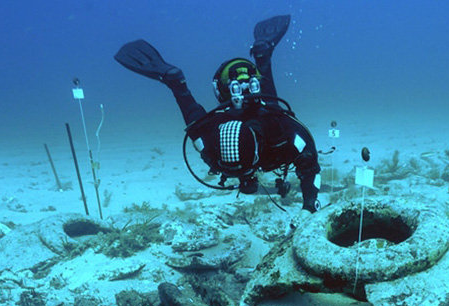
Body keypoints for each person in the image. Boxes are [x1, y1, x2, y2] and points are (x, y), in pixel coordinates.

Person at [115, 15, 321, 213]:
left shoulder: (217, 139)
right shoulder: (278, 128)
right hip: (270, 124)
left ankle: (259, 57)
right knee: (267, 105)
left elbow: (194, 122)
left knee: (266, 104)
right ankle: (261, 57)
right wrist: (309, 205)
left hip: (262, 126)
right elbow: (310, 165)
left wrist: (178, 86)